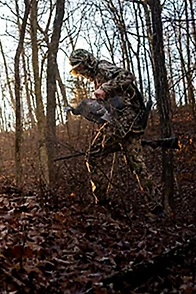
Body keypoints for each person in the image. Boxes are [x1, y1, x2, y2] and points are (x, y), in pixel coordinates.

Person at [68, 49, 160, 211]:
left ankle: (103, 204)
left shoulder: (102, 68)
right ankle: (154, 207)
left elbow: (127, 75)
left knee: (95, 156)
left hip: (125, 123)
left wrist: (105, 88)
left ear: (88, 62)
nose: (81, 72)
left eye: (81, 67)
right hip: (124, 124)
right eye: (78, 69)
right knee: (134, 163)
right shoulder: (96, 76)